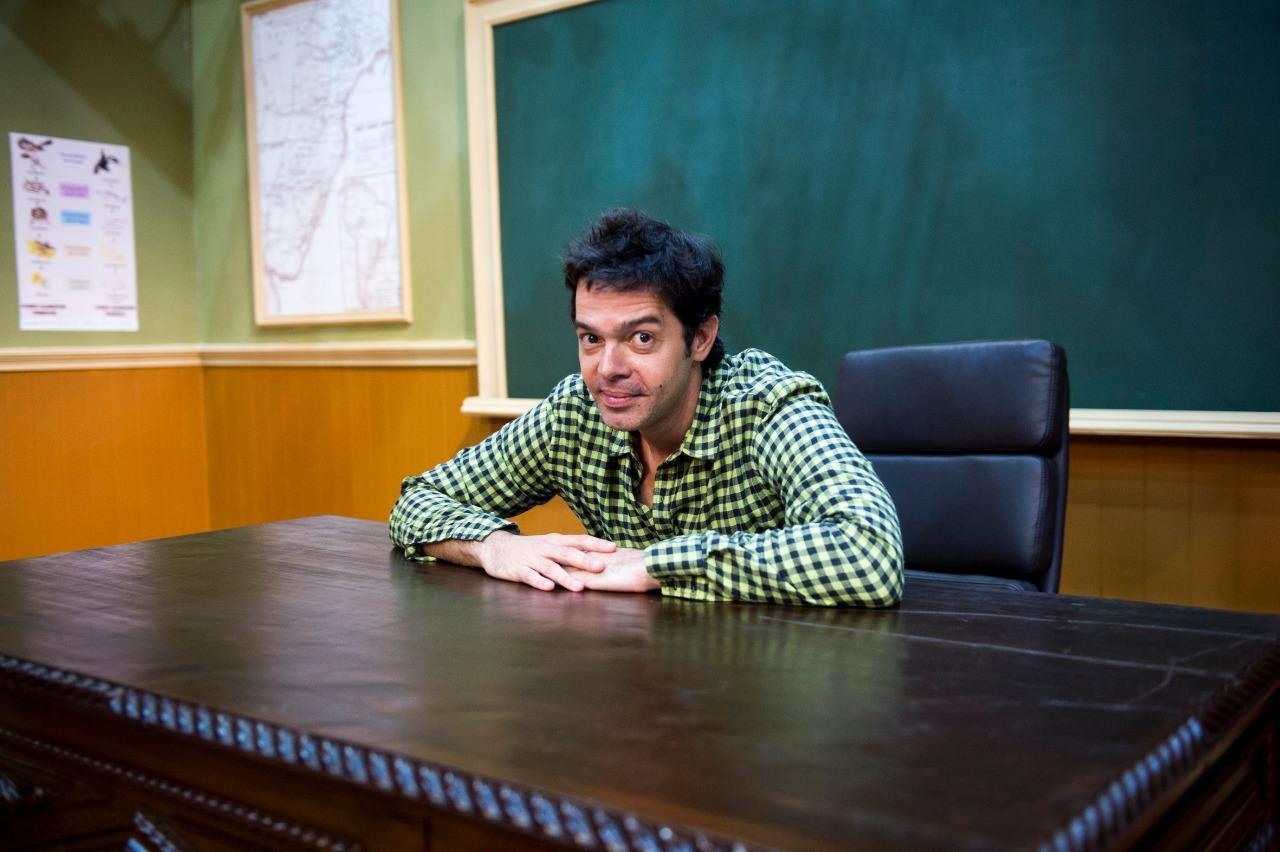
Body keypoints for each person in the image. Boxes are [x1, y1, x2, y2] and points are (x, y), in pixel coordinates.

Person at [389, 208, 903, 606]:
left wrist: (656, 564)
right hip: (635, 681)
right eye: (591, 338)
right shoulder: (574, 414)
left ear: (700, 338)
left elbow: (871, 553)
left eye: (641, 338)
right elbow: (418, 501)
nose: (608, 369)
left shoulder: (767, 405)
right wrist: (495, 546)